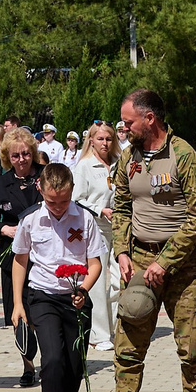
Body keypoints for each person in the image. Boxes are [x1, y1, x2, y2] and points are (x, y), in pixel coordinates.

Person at [105, 89, 196, 392]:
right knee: (128, 341)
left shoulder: (183, 156)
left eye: (128, 123)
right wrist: (122, 251)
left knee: (193, 344)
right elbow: (122, 207)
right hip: (139, 259)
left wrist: (165, 262)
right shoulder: (129, 157)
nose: (123, 129)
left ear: (149, 119)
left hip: (182, 265)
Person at [13, 162, 100, 392]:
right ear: (40, 190)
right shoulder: (30, 219)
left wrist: (83, 288)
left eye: (63, 201)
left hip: (77, 299)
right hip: (43, 296)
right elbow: (20, 260)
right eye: (52, 202)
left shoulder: (85, 218)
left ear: (72, 190)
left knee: (75, 365)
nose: (59, 207)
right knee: (52, 360)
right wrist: (18, 304)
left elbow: (94, 263)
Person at [0, 130, 44, 385]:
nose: (21, 159)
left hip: (43, 254)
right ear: (7, 156)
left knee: (42, 310)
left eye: (26, 154)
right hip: (12, 254)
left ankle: (48, 361)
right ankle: (28, 366)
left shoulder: (44, 175)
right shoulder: (0, 183)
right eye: (15, 155)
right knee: (20, 312)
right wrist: (3, 229)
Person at [71, 121, 120, 352]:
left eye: (109, 139)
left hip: (119, 227)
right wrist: (100, 209)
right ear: (91, 140)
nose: (105, 143)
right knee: (98, 281)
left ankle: (119, 325)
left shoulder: (119, 163)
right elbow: (77, 198)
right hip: (96, 227)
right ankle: (99, 334)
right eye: (100, 139)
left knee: (121, 279)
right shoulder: (84, 166)